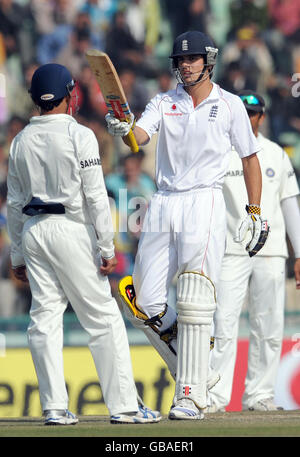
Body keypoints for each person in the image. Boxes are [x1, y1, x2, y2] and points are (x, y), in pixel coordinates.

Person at [105, 31, 269, 421]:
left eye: (192, 59)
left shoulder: (228, 104)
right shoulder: (164, 101)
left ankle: (190, 395)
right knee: (145, 302)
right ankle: (200, 367)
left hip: (205, 199)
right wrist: (123, 128)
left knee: (196, 297)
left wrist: (254, 210)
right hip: (163, 201)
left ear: (208, 61)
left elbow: (249, 158)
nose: (185, 65)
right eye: (180, 60)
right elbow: (138, 137)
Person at [6, 63, 161, 426]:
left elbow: (14, 202)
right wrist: (107, 248)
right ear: (70, 95)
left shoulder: (20, 141)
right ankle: (124, 407)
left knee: (44, 318)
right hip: (70, 230)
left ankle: (55, 408)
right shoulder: (80, 136)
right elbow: (95, 196)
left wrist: (16, 253)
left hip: (33, 231)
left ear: (35, 99)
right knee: (103, 317)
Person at [207, 90, 300, 413]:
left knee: (269, 325)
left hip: (272, 250)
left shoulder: (276, 153)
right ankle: (216, 396)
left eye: (254, 114)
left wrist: (299, 253)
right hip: (231, 250)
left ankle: (259, 393)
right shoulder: (219, 153)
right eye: (243, 115)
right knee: (223, 323)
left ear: (262, 117)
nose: (249, 120)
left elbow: (290, 204)